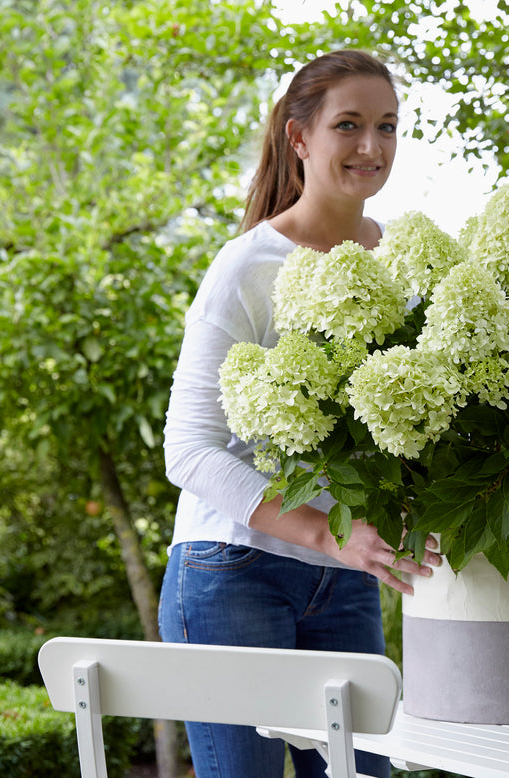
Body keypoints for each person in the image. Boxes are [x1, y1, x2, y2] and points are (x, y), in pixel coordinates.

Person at [159, 49, 441, 778]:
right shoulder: (246, 269)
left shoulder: (407, 267)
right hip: (231, 573)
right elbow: (188, 450)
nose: (371, 147)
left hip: (346, 574)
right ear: (299, 137)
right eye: (348, 125)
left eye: (387, 126)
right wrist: (326, 530)